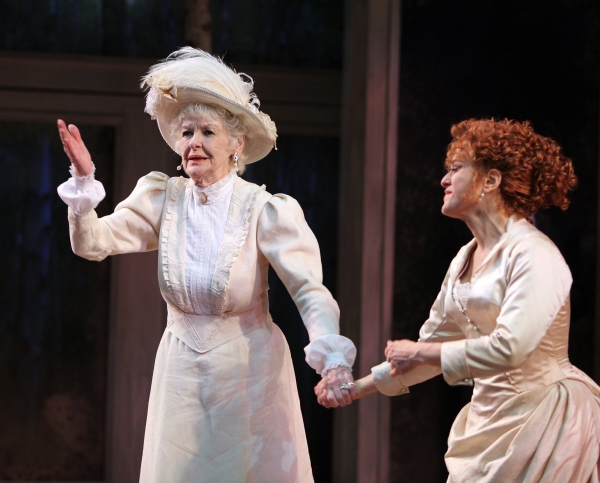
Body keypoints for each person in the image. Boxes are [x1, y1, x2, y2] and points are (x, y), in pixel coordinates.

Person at [56, 48, 356, 483]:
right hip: (180, 369)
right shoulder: (163, 198)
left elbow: (309, 291)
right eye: (187, 131)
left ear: (236, 145)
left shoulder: (264, 210)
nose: (194, 142)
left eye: (208, 132)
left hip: (248, 372)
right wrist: (84, 180)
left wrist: (332, 356)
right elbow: (92, 242)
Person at [318, 118, 600, 482]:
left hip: (546, 422)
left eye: (455, 168)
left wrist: (422, 353)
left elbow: (510, 348)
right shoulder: (464, 258)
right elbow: (433, 349)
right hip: (489, 421)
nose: (444, 180)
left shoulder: (534, 254)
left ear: (491, 180)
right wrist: (354, 389)